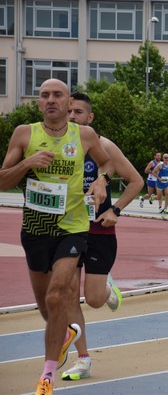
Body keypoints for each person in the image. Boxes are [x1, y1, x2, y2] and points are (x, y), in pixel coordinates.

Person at [0, 78, 113, 395]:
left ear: (68, 103)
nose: (51, 99)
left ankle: (47, 375)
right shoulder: (25, 133)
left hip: (72, 226)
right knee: (46, 308)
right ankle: (65, 333)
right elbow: (2, 181)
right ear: (38, 103)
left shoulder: (85, 135)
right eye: (44, 95)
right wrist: (26, 163)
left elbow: (106, 163)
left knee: (58, 293)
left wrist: (102, 181)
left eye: (57, 95)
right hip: (35, 230)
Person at [59, 92, 143, 382]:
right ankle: (83, 360)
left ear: (90, 118)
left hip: (99, 232)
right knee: (69, 294)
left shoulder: (104, 146)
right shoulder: (58, 147)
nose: (72, 117)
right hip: (68, 230)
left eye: (78, 112)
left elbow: (136, 181)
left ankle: (108, 291)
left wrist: (116, 210)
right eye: (69, 111)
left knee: (93, 299)